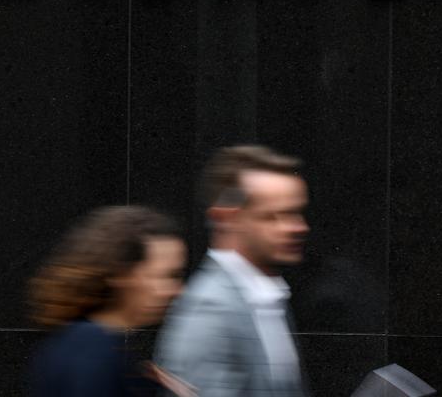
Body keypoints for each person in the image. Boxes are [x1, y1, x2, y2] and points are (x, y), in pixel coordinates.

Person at [156, 145, 312, 396]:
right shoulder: (210, 308)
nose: (298, 227)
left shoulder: (266, 296)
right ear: (226, 218)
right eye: (273, 216)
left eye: (296, 213)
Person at [28, 206, 188, 397]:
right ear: (122, 273)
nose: (178, 290)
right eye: (167, 276)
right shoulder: (96, 352)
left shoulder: (81, 341)